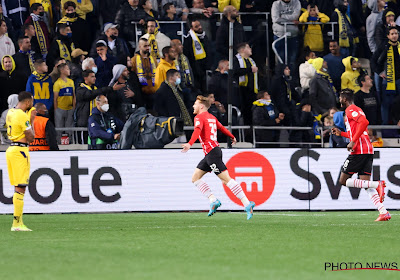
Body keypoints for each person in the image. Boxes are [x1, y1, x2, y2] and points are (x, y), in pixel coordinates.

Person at [181, 95, 256, 220]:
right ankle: (213, 200)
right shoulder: (211, 117)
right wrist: (232, 136)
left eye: (195, 104)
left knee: (226, 180)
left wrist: (190, 143)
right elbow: (221, 128)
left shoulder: (199, 117)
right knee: (195, 178)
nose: (193, 106)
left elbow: (197, 130)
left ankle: (247, 204)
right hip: (212, 153)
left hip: (212, 154)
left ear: (201, 106)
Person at [331, 89, 390, 222]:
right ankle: (383, 212)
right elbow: (359, 130)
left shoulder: (350, 109)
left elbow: (364, 123)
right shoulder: (356, 109)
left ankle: (377, 184)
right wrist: (342, 134)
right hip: (367, 149)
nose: (339, 100)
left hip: (359, 150)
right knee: (365, 184)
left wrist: (352, 141)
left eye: (340, 98)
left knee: (343, 180)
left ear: (344, 99)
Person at [6, 91, 35, 231]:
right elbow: (31, 138)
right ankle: (17, 224)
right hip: (20, 151)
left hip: (11, 149)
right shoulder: (23, 115)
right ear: (28, 102)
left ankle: (18, 222)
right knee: (21, 187)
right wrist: (32, 120)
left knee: (17, 187)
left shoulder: (10, 112)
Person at [75, 70, 125, 143]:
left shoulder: (95, 88)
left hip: (96, 120)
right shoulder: (80, 90)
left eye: (94, 76)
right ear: (85, 78)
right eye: (92, 76)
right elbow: (90, 95)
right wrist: (110, 88)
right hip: (84, 123)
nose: (94, 78)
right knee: (84, 146)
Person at [371, 26, 400, 124]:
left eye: (396, 33)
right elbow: (373, 61)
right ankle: (386, 127)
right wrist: (380, 72)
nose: (394, 36)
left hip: (399, 80)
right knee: (386, 105)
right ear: (388, 36)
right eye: (392, 34)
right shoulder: (383, 46)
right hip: (388, 81)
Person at [271, 0, 301, 71]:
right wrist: (291, 21)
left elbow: (296, 16)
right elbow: (276, 19)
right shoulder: (276, 4)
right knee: (280, 61)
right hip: (279, 36)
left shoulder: (296, 2)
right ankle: (280, 80)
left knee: (292, 61)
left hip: (293, 36)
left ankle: (291, 80)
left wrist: (282, 16)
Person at [233, 42, 258, 126]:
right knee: (245, 112)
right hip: (241, 90)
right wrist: (249, 70)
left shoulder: (251, 60)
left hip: (252, 90)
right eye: (248, 47)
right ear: (243, 50)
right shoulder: (236, 60)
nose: (250, 49)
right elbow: (235, 71)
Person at [183, 18, 210, 93]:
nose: (200, 27)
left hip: (205, 67)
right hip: (195, 69)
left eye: (199, 25)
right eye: (196, 26)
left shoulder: (204, 36)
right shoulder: (188, 39)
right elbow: (187, 55)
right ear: (192, 28)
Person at [131, 38, 158, 109]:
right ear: (139, 47)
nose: (147, 48)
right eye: (145, 46)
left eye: (148, 46)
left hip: (153, 91)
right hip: (141, 93)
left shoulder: (153, 59)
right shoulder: (134, 60)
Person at [53, 63, 75, 139]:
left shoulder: (71, 82)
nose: (69, 70)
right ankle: (59, 143)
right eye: (67, 69)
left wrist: (73, 107)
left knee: (69, 128)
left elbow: (73, 95)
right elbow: (55, 98)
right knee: (59, 127)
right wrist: (56, 109)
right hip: (60, 108)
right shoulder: (57, 83)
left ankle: (70, 143)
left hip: (70, 108)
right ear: (62, 71)